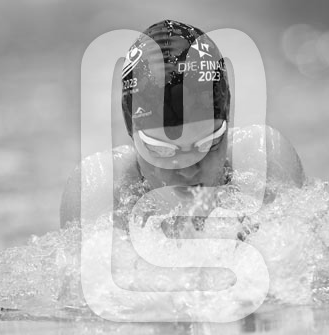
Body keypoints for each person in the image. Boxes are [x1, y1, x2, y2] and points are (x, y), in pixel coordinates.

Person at [60, 19, 305, 234]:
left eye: (208, 144)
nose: (188, 170)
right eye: (163, 150)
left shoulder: (264, 162)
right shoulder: (100, 190)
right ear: (132, 132)